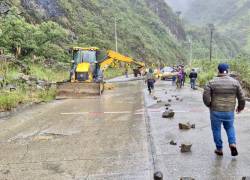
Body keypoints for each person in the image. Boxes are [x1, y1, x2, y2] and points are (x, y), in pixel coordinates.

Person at [203, 63, 245, 156]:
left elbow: (205, 96)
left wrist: (209, 104)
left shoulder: (211, 82)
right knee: (230, 127)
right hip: (229, 111)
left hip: (215, 111)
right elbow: (241, 97)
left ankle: (219, 149)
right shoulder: (235, 82)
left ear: (218, 70)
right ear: (228, 70)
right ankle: (232, 144)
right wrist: (240, 107)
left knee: (216, 130)